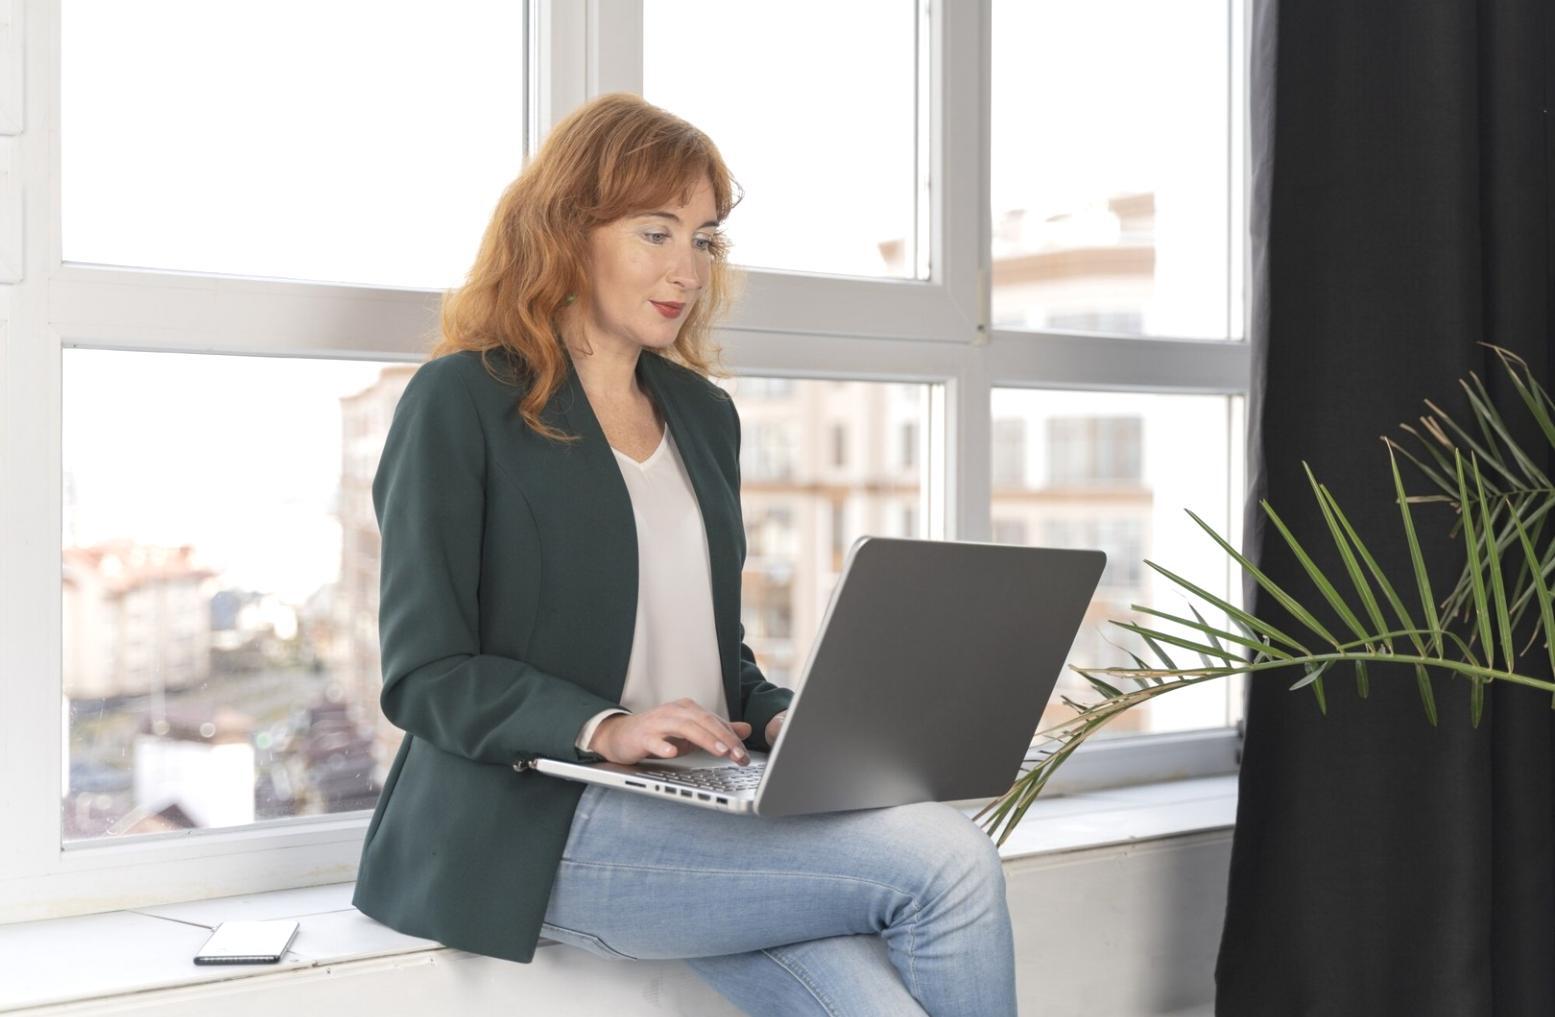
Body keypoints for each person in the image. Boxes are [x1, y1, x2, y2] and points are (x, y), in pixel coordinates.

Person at [351, 92, 1018, 1017]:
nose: (688, 269)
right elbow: (425, 671)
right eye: (655, 232)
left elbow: (710, 651)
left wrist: (787, 718)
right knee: (946, 860)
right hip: (540, 822)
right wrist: (603, 725)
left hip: (701, 809)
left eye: (704, 239)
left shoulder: (702, 415)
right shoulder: (460, 400)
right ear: (566, 232)